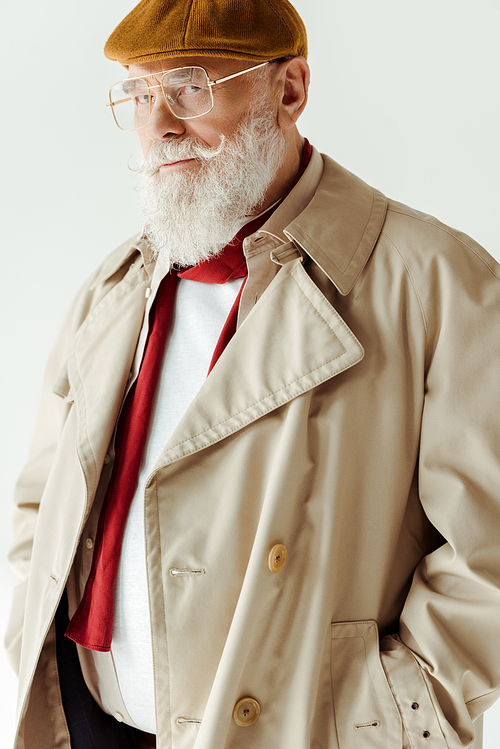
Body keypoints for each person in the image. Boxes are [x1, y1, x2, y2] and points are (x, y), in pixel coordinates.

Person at [5, 0, 500, 747]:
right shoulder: (116, 287)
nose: (159, 125)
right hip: (87, 724)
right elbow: (41, 504)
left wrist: (383, 717)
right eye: (139, 93)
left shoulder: (438, 284)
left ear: (290, 90)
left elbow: (488, 563)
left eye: (192, 86)